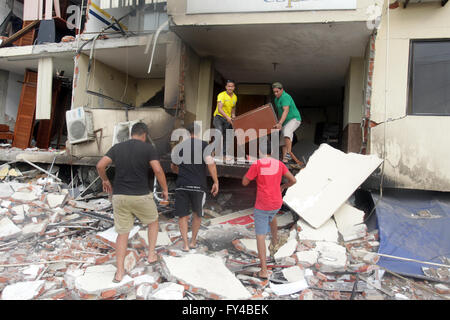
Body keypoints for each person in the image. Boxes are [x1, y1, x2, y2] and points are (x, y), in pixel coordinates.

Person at [96, 122, 168, 283]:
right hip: (140, 195)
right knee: (153, 221)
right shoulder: (148, 148)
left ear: (131, 133)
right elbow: (157, 169)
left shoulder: (117, 147)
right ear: (144, 135)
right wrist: (164, 189)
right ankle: (151, 255)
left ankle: (119, 273)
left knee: (122, 234)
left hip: (120, 196)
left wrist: (105, 180)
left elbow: (100, 165)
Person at [242, 137, 296, 279]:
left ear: (260, 151)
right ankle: (275, 241)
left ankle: (264, 270)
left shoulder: (258, 164)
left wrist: (253, 170)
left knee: (260, 236)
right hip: (276, 202)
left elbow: (245, 182)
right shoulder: (279, 164)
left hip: (263, 204)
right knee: (272, 217)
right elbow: (293, 180)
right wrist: (283, 186)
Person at [171, 123, 219, 252]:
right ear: (199, 132)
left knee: (183, 215)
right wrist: (216, 181)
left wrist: (179, 171)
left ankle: (185, 245)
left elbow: (173, 166)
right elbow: (211, 165)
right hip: (198, 186)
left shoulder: (179, 147)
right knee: (197, 214)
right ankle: (193, 242)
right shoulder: (204, 146)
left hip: (182, 185)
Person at [272, 82, 302, 163]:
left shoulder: (285, 97)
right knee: (282, 140)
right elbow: (279, 112)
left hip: (294, 119)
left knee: (287, 132)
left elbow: (286, 110)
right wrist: (278, 123)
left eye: (277, 91)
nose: (275, 94)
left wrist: (280, 123)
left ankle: (289, 153)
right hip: (285, 122)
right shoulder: (276, 99)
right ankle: (285, 160)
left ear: (282, 90)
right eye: (274, 92)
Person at [212, 80, 238, 162]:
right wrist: (228, 117)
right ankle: (213, 151)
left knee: (228, 137)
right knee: (219, 134)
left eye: (232, 86)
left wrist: (233, 116)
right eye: (228, 86)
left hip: (228, 119)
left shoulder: (235, 97)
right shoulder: (221, 95)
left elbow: (233, 107)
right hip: (219, 117)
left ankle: (223, 155)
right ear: (226, 87)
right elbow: (219, 109)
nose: (230, 88)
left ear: (234, 87)